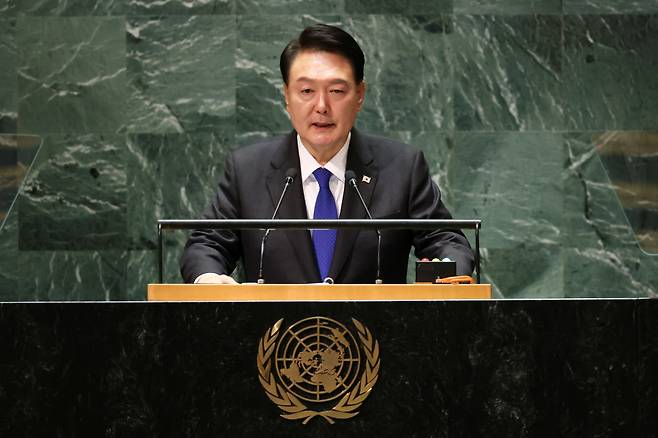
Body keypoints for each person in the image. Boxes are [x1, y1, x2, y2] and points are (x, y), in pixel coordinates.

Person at [180, 24, 474, 284]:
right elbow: (207, 244)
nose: (321, 106)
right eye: (306, 91)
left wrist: (447, 271)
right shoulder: (247, 170)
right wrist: (208, 278)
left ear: (359, 95)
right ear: (286, 96)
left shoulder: (402, 167)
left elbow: (445, 240)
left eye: (336, 91)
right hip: (276, 340)